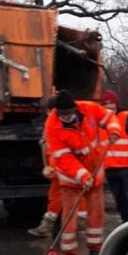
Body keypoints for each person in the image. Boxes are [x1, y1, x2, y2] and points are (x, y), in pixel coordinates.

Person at [44, 90, 121, 255]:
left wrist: (114, 129)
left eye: (69, 114)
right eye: (63, 115)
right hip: (70, 177)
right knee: (69, 216)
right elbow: (63, 157)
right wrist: (82, 175)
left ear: (75, 109)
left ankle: (95, 249)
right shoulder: (52, 126)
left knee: (96, 214)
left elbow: (109, 117)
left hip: (95, 172)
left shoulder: (89, 108)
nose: (67, 118)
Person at [28, 95, 89, 239]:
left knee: (59, 195)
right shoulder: (56, 124)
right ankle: (78, 223)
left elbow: (60, 150)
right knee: (70, 194)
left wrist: (52, 167)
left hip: (63, 167)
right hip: (62, 166)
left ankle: (50, 226)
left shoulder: (58, 125)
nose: (50, 114)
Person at [99, 90, 128, 222]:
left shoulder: (127, 117)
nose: (109, 106)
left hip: (127, 167)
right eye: (106, 103)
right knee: (120, 201)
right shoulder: (101, 122)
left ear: (116, 103)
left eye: (111, 103)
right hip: (110, 169)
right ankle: (126, 225)